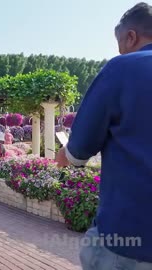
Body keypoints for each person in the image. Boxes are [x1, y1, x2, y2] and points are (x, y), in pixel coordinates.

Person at [56, 3, 152, 268]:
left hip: (129, 239)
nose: (119, 50)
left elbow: (77, 153)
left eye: (120, 43)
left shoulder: (123, 68)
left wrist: (63, 155)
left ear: (131, 36)